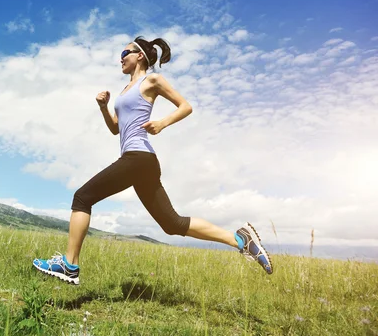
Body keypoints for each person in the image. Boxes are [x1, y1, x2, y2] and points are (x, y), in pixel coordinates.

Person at [33, 36, 273, 285]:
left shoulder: (152, 80)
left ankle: (70, 265)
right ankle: (240, 239)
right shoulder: (125, 90)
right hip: (140, 162)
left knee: (82, 197)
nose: (120, 58)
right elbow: (116, 129)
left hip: (139, 157)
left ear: (139, 56)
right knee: (172, 223)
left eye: (124, 52)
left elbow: (185, 106)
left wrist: (161, 123)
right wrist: (104, 107)